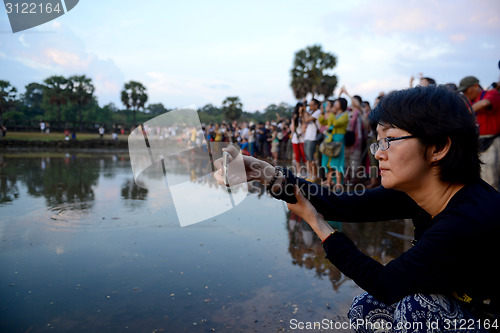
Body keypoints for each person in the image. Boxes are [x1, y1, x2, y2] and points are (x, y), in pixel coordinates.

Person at [215, 86, 499, 332]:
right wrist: (268, 174)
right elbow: (342, 205)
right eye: (378, 140)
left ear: (438, 147)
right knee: (367, 307)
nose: (377, 152)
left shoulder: (469, 219)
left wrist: (317, 224)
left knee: (416, 307)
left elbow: (385, 283)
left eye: (389, 139)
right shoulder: (418, 193)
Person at [459, 76, 500, 190]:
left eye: (466, 90)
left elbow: (485, 103)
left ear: (476, 86)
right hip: (478, 142)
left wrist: (466, 112)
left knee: (490, 179)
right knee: (481, 176)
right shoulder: (469, 101)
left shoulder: (491, 93)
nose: (465, 93)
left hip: (492, 141)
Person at [318, 98, 349, 190]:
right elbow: (322, 121)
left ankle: (338, 184)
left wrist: (330, 113)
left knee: (337, 163)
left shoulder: (345, 115)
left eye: (337, 102)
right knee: (329, 163)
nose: (335, 103)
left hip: (338, 141)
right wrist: (323, 113)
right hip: (330, 141)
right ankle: (328, 182)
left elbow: (335, 123)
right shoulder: (334, 115)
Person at [303, 99, 322, 182]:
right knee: (308, 159)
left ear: (316, 105)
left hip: (312, 138)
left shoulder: (318, 112)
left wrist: (304, 109)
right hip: (307, 137)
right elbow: (304, 120)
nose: (309, 107)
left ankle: (314, 175)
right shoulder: (311, 113)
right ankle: (311, 175)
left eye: (311, 105)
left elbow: (307, 119)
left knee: (311, 159)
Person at [290, 103, 306, 173]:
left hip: (303, 137)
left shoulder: (304, 116)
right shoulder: (294, 116)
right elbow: (292, 127)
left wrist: (302, 114)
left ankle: (307, 171)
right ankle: (299, 171)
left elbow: (304, 126)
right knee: (297, 156)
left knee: (304, 155)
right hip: (295, 138)